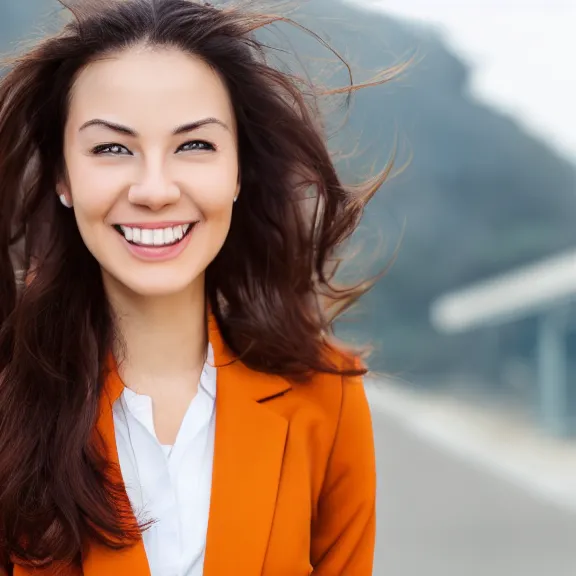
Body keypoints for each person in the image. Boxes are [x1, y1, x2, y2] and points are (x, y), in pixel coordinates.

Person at [0, 0, 391, 574]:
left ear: (237, 171)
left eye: (194, 145)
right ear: (63, 175)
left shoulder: (328, 399)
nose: (155, 190)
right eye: (111, 148)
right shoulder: (12, 403)